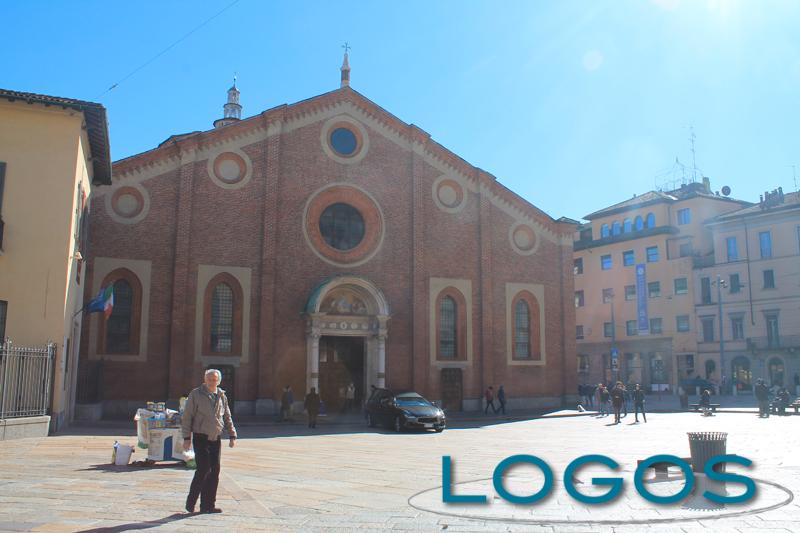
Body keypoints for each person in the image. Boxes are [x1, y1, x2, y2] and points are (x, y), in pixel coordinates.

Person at [181, 368, 237, 514]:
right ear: (205, 380)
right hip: (201, 437)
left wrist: (232, 434)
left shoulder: (222, 395)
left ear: (219, 381)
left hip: (215, 437)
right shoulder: (196, 394)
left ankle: (208, 505)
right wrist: (186, 438)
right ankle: (191, 502)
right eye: (210, 379)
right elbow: (187, 417)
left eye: (215, 379)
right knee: (204, 469)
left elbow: (227, 416)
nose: (212, 382)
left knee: (215, 471)